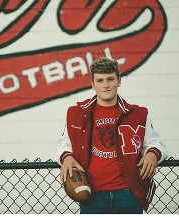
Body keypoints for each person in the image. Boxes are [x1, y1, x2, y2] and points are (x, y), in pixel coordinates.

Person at [56, 58, 168, 214]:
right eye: (100, 80)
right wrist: (67, 157)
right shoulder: (77, 113)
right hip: (92, 194)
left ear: (119, 81)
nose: (106, 85)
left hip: (128, 193)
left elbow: (156, 143)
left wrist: (152, 153)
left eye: (110, 79)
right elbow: (64, 145)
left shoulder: (137, 114)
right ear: (92, 84)